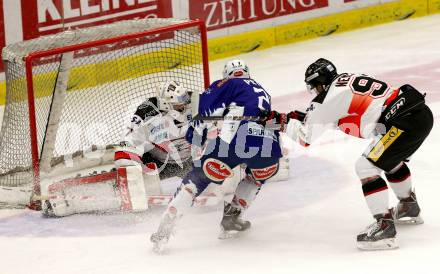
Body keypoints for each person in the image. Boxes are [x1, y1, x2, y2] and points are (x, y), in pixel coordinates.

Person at [266, 58, 433, 250]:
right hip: (418, 115)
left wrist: (278, 122)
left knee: (366, 166)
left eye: (314, 86)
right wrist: (302, 118)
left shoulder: (327, 98)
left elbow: (305, 137)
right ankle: (408, 206)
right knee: (387, 159)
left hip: (403, 123)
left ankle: (384, 226)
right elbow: (340, 116)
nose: (315, 91)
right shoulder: (349, 80)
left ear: (320, 83)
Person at [150, 59, 284, 252]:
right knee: (257, 176)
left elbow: (202, 111)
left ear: (228, 75)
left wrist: (195, 140)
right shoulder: (263, 92)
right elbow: (271, 122)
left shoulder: (227, 83)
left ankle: (164, 229)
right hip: (270, 146)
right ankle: (232, 218)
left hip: (235, 138)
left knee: (197, 179)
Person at [114, 80, 193, 179]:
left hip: (191, 160)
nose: (184, 106)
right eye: (178, 105)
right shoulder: (147, 113)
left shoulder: (195, 101)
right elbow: (129, 141)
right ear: (165, 104)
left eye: (185, 102)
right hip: (158, 163)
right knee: (128, 163)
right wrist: (127, 168)